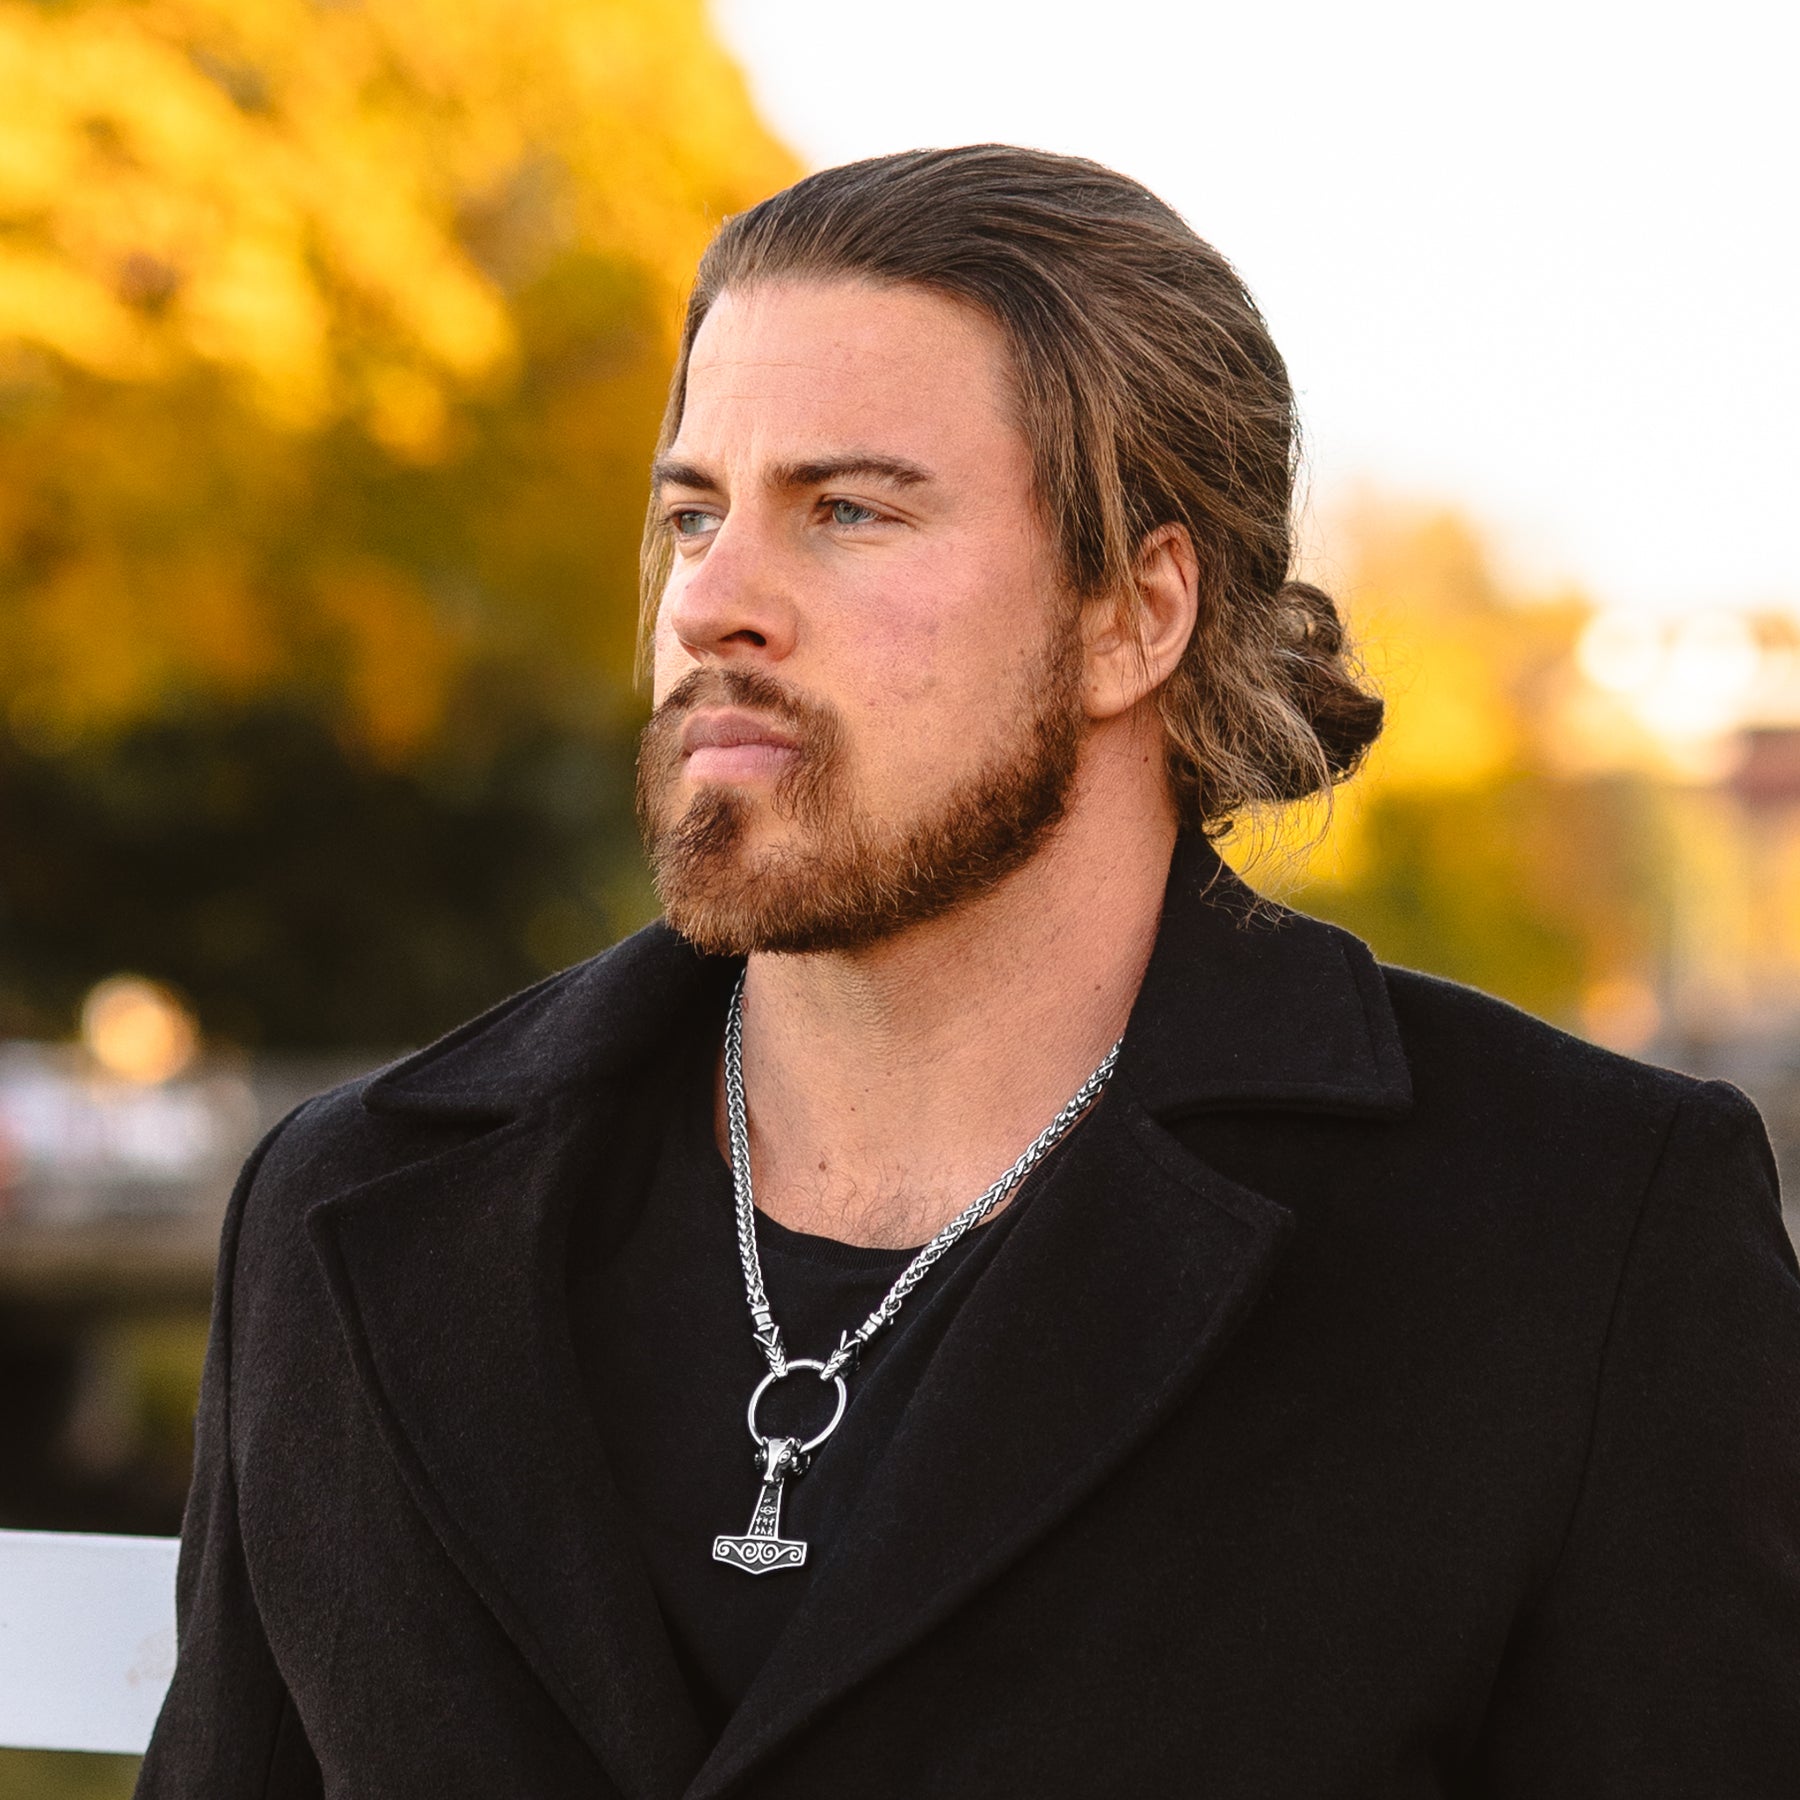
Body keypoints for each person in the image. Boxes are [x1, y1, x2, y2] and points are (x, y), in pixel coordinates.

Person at [138, 146, 1800, 1798]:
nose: (713, 603)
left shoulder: (1582, 1237)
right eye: (695, 514)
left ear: (1135, 614)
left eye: (848, 511)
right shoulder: (353, 1206)